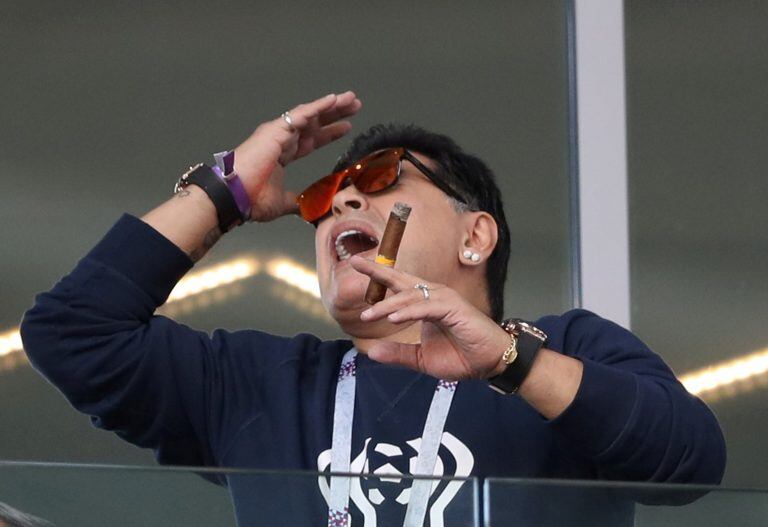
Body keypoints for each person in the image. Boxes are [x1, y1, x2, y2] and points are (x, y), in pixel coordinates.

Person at [20, 92, 726, 526]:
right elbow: (73, 332)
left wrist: (511, 361)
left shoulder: (564, 348)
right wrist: (225, 191)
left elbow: (691, 462)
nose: (347, 202)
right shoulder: (264, 383)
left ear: (475, 236)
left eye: (382, 180)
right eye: (328, 197)